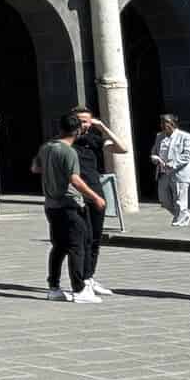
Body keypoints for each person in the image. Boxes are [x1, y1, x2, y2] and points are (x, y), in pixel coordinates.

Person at [39, 114, 108, 303]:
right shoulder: (69, 152)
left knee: (59, 246)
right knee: (79, 245)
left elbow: (35, 168)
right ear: (77, 131)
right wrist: (95, 197)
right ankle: (80, 289)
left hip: (51, 205)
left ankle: (53, 287)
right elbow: (75, 180)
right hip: (69, 204)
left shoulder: (47, 147)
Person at [67, 105, 128, 298]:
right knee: (81, 240)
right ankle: (80, 280)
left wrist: (102, 126)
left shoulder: (93, 139)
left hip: (97, 194)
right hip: (77, 196)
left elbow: (122, 148)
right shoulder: (67, 142)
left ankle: (89, 277)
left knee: (94, 239)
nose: (85, 125)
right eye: (81, 121)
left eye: (87, 121)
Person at [150, 113, 190, 227]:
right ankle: (183, 214)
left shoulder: (185, 136)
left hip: (179, 173)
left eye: (164, 122)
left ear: (172, 123)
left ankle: (180, 217)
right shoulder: (159, 136)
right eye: (161, 122)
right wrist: (154, 158)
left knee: (179, 199)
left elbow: (189, 154)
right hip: (163, 172)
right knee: (163, 199)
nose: (161, 125)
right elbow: (154, 152)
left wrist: (174, 163)